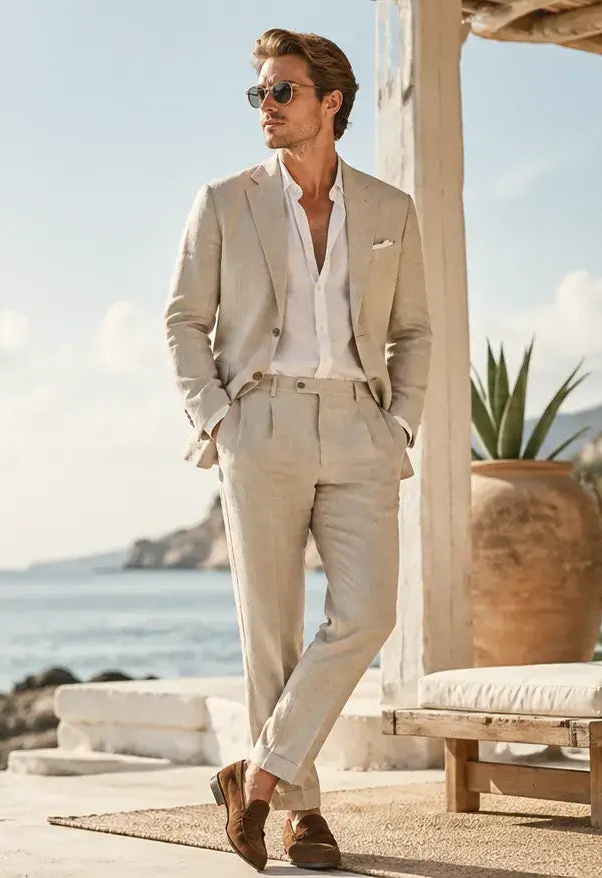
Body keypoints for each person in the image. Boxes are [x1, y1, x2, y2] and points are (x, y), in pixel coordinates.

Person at [163, 28, 432, 873]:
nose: (266, 109)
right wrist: (216, 416)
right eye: (260, 95)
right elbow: (182, 321)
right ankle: (302, 815)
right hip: (261, 423)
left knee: (368, 613)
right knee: (271, 629)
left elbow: (414, 330)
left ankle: (260, 778)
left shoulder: (390, 210)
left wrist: (403, 425)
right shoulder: (225, 200)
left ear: (330, 102)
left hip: (360, 424)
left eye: (281, 92)